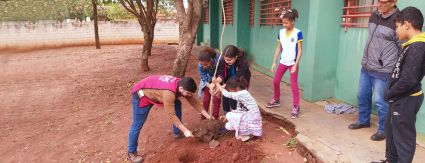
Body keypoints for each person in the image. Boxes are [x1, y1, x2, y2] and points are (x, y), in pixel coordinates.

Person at [127, 75, 212, 162]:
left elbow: (195, 103)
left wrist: (208, 116)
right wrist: (186, 130)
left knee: (177, 103)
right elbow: (171, 115)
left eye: (191, 93)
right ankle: (131, 153)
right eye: (188, 93)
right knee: (137, 124)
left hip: (156, 91)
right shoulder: (169, 93)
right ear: (181, 88)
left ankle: (177, 133)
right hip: (142, 94)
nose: (189, 95)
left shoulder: (183, 84)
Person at [348, 0, 399, 141]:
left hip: (383, 70)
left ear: (394, 1)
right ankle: (363, 120)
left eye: (382, 2)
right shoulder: (375, 14)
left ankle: (384, 130)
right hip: (367, 65)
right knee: (361, 95)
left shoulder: (398, 20)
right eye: (378, 1)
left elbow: (402, 47)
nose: (378, 5)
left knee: (380, 101)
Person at [384, 7, 425, 163]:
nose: (396, 31)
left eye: (397, 26)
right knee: (392, 133)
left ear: (406, 24)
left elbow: (409, 79)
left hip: (406, 100)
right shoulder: (411, 45)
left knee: (403, 140)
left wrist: (389, 93)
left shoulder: (418, 47)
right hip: (398, 99)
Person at [265, 8, 303, 119]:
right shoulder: (281, 33)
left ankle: (296, 106)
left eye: (286, 23)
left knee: (293, 85)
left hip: (292, 63)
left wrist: (296, 65)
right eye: (283, 23)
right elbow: (278, 48)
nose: (284, 25)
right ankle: (276, 99)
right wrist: (274, 62)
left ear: (292, 22)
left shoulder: (298, 33)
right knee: (276, 81)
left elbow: (300, 50)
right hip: (283, 62)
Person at [213, 77, 262, 141]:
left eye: (230, 91)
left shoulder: (243, 93)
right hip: (249, 117)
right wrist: (227, 116)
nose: (231, 92)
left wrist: (217, 83)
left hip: (253, 117)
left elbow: (227, 94)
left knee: (229, 114)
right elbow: (239, 110)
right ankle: (246, 134)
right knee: (228, 126)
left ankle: (244, 136)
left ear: (235, 89)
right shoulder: (240, 96)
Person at [214, 45, 251, 114]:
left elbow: (239, 76)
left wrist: (224, 86)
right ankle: (227, 115)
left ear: (236, 57)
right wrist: (219, 79)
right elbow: (222, 71)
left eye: (229, 60)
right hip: (228, 79)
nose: (227, 61)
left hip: (241, 81)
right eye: (225, 59)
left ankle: (237, 115)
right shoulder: (223, 60)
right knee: (225, 97)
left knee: (234, 98)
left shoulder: (243, 61)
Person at [197, 47, 221, 119]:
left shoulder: (218, 61)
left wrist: (216, 85)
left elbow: (222, 74)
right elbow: (203, 78)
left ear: (211, 60)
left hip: (218, 79)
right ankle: (204, 117)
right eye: (202, 65)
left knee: (216, 99)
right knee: (206, 99)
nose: (204, 66)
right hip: (208, 81)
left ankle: (214, 117)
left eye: (206, 64)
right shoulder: (200, 65)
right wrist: (210, 86)